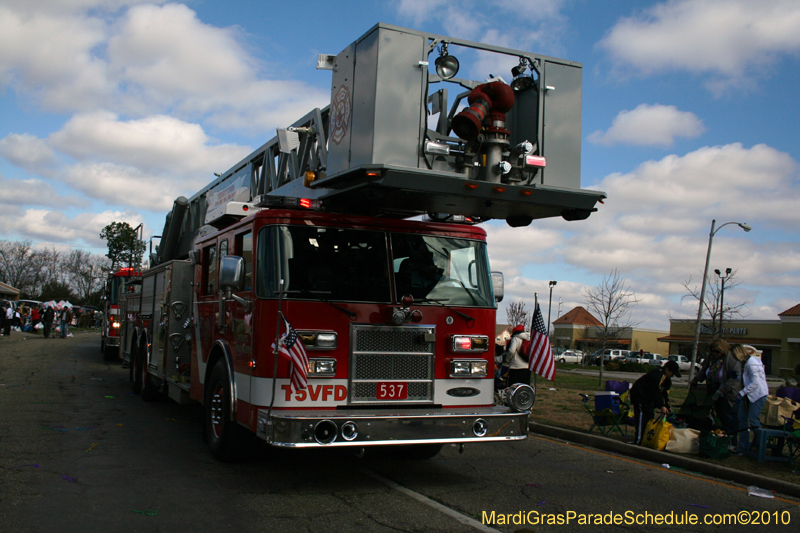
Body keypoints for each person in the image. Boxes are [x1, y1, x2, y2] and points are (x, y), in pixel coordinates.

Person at [690, 339, 741, 437]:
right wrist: (696, 379)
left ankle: (732, 439)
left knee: (729, 417)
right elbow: (704, 370)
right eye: (713, 351)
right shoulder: (710, 358)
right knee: (720, 416)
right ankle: (722, 436)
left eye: (717, 351)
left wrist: (724, 388)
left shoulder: (731, 359)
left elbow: (735, 377)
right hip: (713, 391)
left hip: (727, 394)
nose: (715, 354)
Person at [631, 359, 681, 445]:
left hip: (649, 400)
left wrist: (667, 406)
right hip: (640, 396)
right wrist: (661, 405)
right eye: (672, 374)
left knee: (649, 419)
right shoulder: (658, 375)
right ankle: (638, 441)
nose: (672, 376)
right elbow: (656, 391)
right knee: (641, 418)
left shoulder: (667, 381)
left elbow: (664, 394)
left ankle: (645, 439)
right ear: (667, 369)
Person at [734, 344, 768, 454]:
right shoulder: (743, 363)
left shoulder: (752, 363)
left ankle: (760, 444)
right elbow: (745, 378)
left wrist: (742, 393)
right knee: (742, 419)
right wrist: (736, 377)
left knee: (753, 420)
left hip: (758, 394)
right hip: (748, 395)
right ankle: (743, 446)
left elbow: (755, 382)